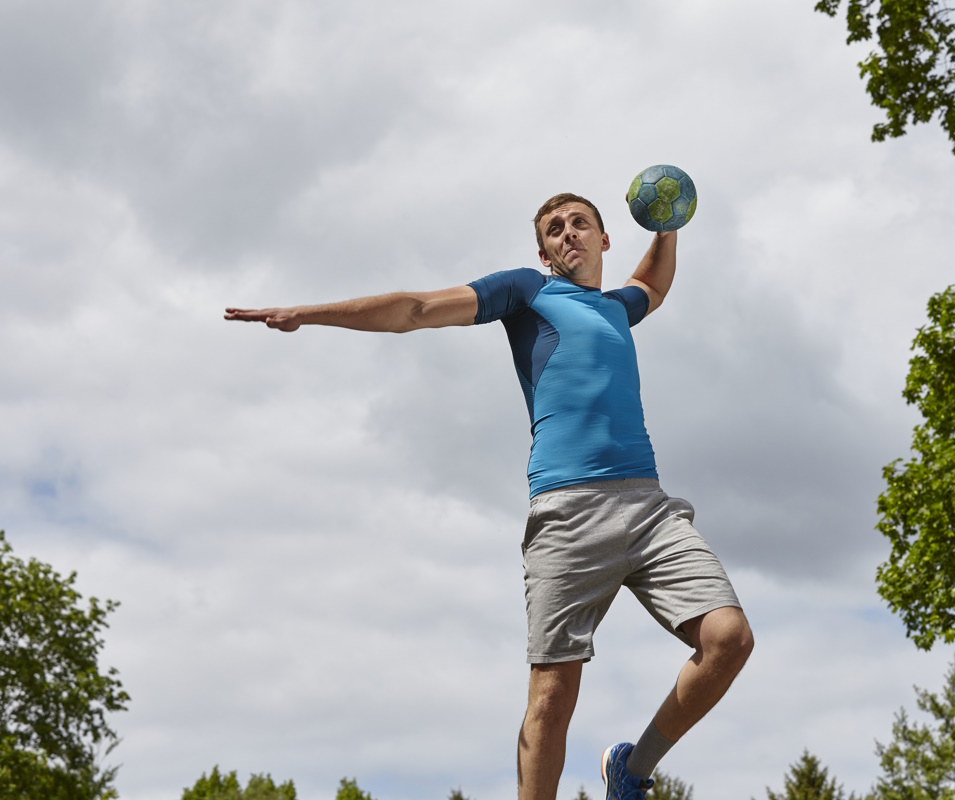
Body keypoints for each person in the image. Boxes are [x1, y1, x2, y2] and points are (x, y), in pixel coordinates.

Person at [225, 193, 753, 800]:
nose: (568, 234)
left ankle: (631, 772)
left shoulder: (616, 309)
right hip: (567, 514)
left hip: (648, 508)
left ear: (604, 240)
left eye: (581, 223)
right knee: (552, 697)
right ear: (544, 252)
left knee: (728, 639)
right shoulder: (528, 292)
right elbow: (417, 309)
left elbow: (652, 286)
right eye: (555, 229)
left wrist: (667, 227)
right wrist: (309, 313)